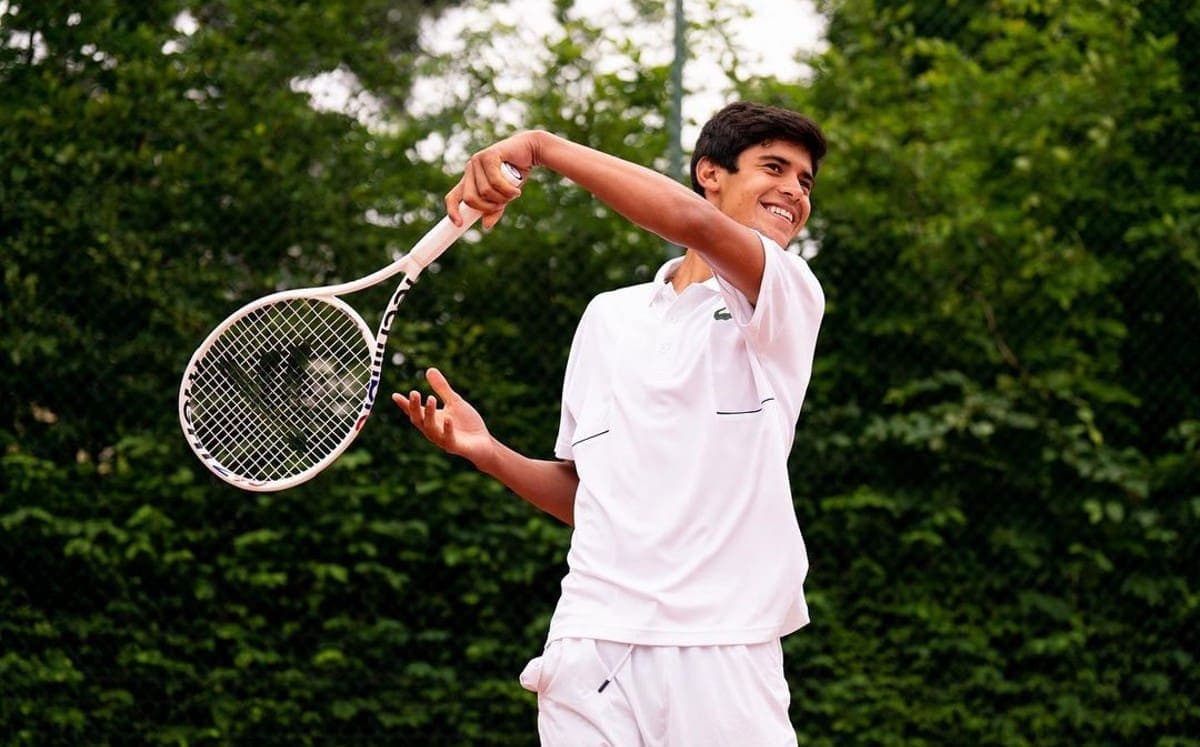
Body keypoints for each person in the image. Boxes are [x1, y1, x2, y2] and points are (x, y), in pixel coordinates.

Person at [393, 101, 827, 746]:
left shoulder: (788, 291)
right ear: (711, 171)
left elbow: (689, 221)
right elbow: (588, 497)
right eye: (774, 167)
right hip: (588, 643)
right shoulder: (607, 318)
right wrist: (490, 454)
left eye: (805, 181)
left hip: (722, 649)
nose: (793, 190)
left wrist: (539, 145)